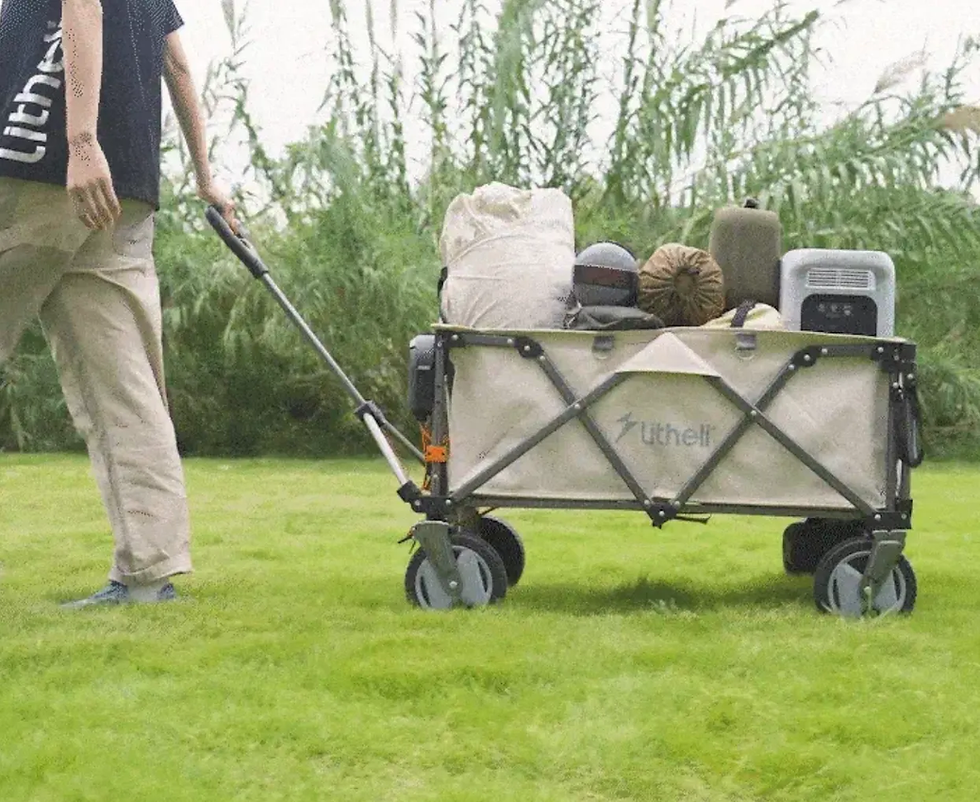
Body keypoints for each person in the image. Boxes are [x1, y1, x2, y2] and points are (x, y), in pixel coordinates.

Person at [0, 0, 239, 606]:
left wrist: (81, 141)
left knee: (123, 382)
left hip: (40, 168)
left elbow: (83, 5)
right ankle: (148, 576)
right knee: (124, 385)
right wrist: (205, 175)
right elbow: (176, 65)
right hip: (123, 188)